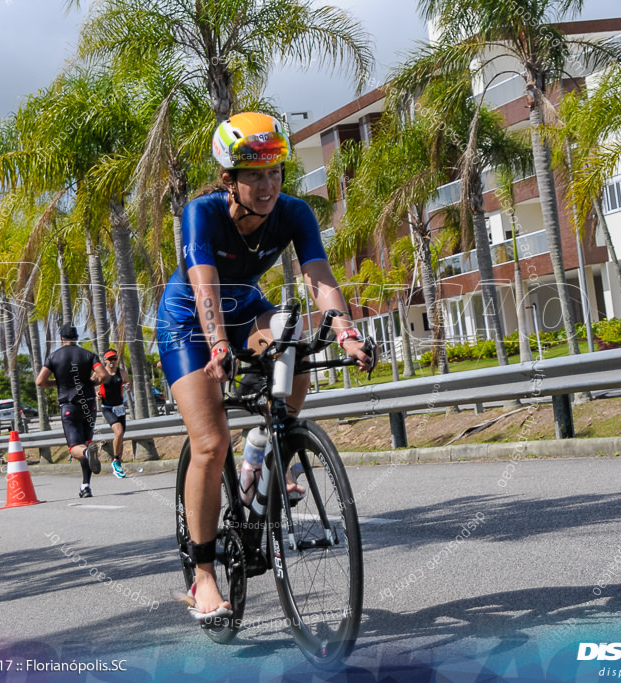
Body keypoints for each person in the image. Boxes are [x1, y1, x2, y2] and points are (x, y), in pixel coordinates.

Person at [155, 112, 373, 622]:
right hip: (189, 320)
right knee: (210, 444)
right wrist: (216, 345)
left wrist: (345, 329)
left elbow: (319, 278)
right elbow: (205, 286)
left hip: (247, 307)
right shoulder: (201, 213)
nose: (267, 184)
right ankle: (204, 576)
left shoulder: (294, 212)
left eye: (275, 172)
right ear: (228, 179)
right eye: (254, 175)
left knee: (294, 331)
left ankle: (266, 446)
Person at [35, 324, 111, 498]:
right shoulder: (88, 355)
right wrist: (92, 383)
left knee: (76, 447)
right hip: (88, 404)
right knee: (85, 441)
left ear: (61, 339)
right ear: (76, 338)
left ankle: (86, 453)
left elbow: (40, 381)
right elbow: (104, 375)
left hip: (69, 405)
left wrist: (57, 383)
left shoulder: (53, 357)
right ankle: (85, 486)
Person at [96, 349, 128, 478]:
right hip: (107, 408)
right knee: (118, 432)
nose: (112, 362)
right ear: (105, 360)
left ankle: (118, 463)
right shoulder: (100, 373)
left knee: (121, 436)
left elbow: (127, 383)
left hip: (119, 408)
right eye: (109, 359)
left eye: (114, 359)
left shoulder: (122, 372)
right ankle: (115, 461)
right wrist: (96, 393)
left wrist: (128, 386)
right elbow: (92, 384)